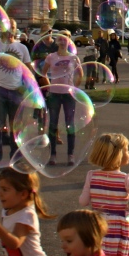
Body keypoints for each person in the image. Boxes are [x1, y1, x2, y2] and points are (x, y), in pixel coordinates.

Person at [0, 29, 33, 167]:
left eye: (13, 27)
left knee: (16, 127)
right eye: (8, 27)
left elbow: (28, 71)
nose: (10, 31)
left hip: (16, 91)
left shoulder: (22, 48)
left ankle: (16, 157)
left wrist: (25, 88)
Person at [43, 34, 84, 166]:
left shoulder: (73, 58)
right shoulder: (51, 57)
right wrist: (49, 85)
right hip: (54, 94)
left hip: (68, 95)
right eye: (60, 39)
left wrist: (74, 88)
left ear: (69, 42)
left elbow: (80, 74)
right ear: (56, 41)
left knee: (70, 124)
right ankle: (52, 155)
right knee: (53, 124)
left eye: (65, 39)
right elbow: (43, 73)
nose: (62, 41)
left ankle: (70, 155)